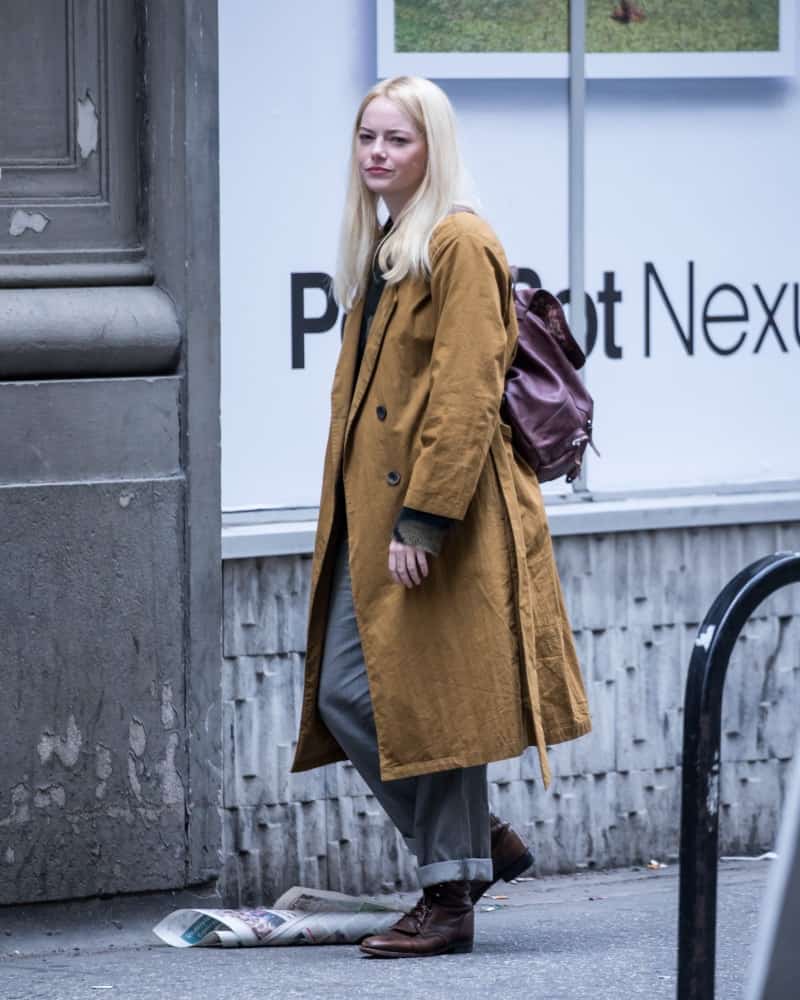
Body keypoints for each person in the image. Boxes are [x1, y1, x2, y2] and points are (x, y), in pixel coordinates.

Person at [291, 75, 591, 959]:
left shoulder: (460, 241)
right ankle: (476, 841)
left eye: (398, 140)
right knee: (351, 692)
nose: (378, 154)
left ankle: (450, 894)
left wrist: (425, 520)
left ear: (434, 150)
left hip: (436, 514)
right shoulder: (389, 243)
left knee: (442, 701)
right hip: (369, 510)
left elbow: (465, 389)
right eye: (367, 138)